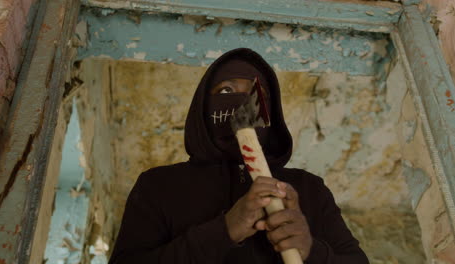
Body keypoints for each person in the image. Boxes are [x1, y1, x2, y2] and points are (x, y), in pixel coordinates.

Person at [108, 48, 369, 264]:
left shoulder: (309, 189)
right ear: (203, 106)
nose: (243, 101)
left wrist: (311, 249)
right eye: (226, 91)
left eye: (259, 95)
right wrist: (224, 230)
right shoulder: (159, 186)